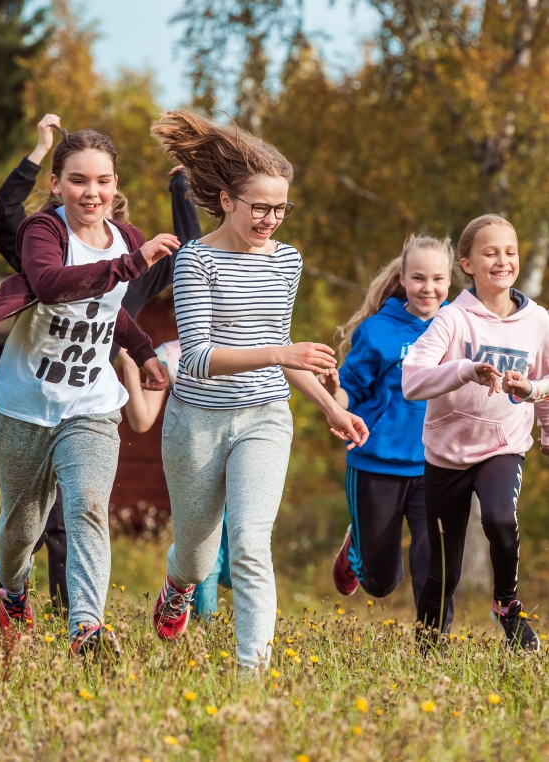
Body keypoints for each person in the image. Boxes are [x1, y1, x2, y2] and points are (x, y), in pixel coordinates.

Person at [148, 110, 368, 673]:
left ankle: (253, 675)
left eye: (281, 208)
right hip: (197, 419)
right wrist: (281, 354)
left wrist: (328, 408)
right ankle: (177, 585)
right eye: (260, 208)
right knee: (198, 554)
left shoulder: (287, 260)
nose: (271, 219)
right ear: (226, 201)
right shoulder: (196, 260)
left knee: (248, 543)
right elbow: (195, 359)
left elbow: (280, 346)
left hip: (265, 416)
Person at [0, 128, 180, 655]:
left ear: (115, 184)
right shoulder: (44, 230)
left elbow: (113, 313)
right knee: (21, 525)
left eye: (103, 180)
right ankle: (13, 588)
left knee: (88, 504)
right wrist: (133, 264)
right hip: (25, 403)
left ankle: (87, 627)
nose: (93, 192)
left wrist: (147, 353)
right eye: (79, 180)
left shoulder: (126, 237)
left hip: (91, 403)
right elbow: (49, 284)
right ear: (58, 183)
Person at [402, 213, 549, 651]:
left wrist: (538, 408)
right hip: (446, 456)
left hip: (503, 447)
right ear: (467, 263)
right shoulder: (452, 320)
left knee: (502, 519)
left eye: (510, 252)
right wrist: (465, 370)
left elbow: (546, 382)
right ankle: (428, 651)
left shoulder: (539, 321)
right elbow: (413, 380)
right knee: (443, 569)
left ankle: (507, 605)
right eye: (490, 253)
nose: (502, 261)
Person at [320, 235, 453, 617]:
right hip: (376, 465)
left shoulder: (460, 326)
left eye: (438, 279)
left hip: (436, 466)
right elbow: (349, 395)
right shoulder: (377, 331)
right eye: (419, 278)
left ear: (450, 280)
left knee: (436, 569)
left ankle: (433, 653)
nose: (429, 288)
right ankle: (356, 547)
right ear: (403, 277)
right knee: (380, 582)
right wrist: (333, 394)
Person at [119, 341, 232, 618]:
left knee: (234, 566)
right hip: (198, 466)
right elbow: (142, 420)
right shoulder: (172, 355)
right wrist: (130, 367)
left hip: (243, 465)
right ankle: (202, 636)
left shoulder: (253, 339)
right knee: (207, 559)